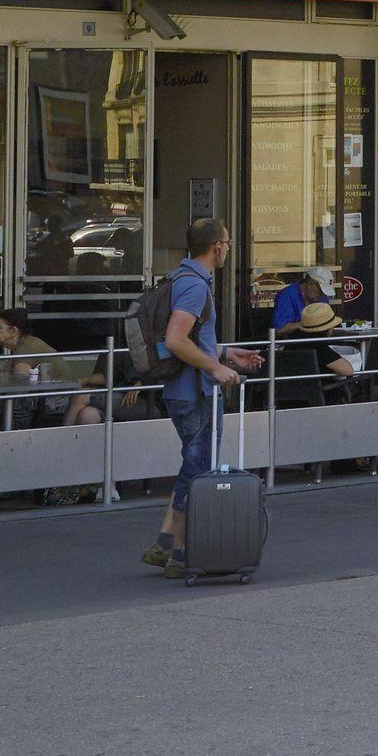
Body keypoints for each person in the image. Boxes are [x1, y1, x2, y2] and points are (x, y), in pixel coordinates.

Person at [149, 215, 260, 575]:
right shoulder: (196, 285)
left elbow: (195, 340)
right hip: (194, 391)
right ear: (216, 247)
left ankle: (169, 546)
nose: (227, 249)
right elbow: (176, 339)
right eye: (227, 243)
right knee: (198, 471)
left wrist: (228, 355)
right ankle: (176, 550)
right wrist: (215, 369)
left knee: (192, 466)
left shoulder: (182, 278)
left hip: (183, 388)